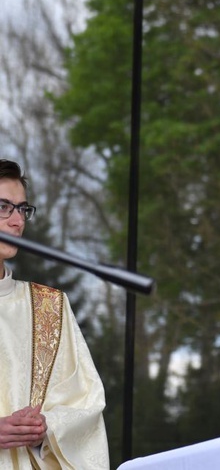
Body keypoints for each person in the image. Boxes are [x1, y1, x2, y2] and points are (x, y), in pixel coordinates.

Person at [0, 159, 109, 468]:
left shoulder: (49, 306)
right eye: (3, 207)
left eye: (22, 209)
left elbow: (86, 403)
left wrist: (46, 427)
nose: (17, 221)